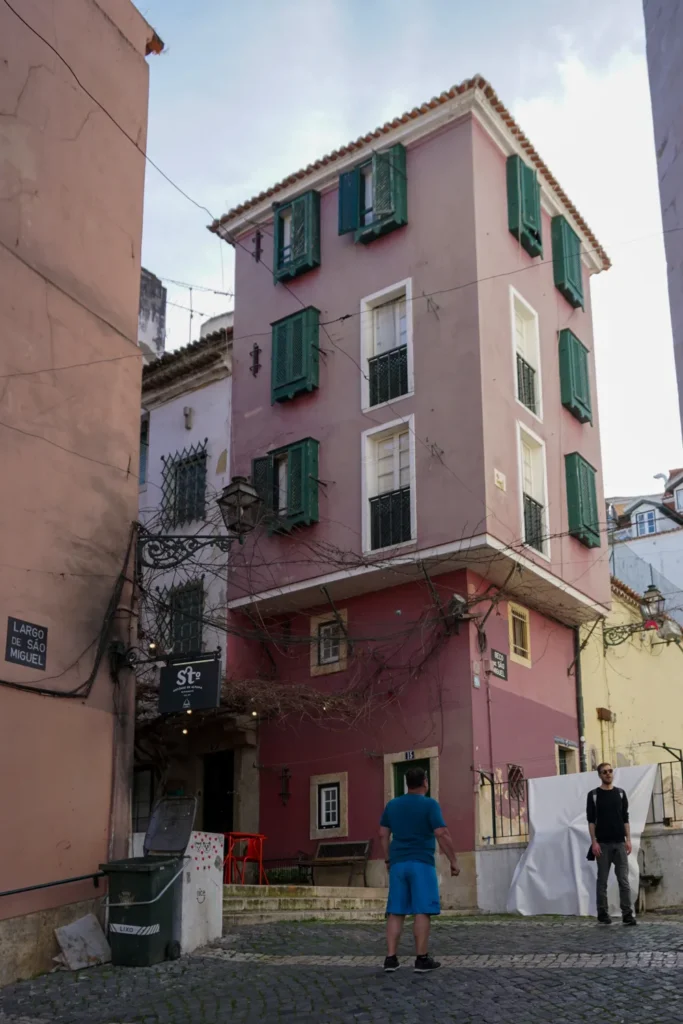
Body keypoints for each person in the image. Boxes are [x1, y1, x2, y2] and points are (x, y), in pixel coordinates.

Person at [379, 766, 460, 973]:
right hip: (421, 863)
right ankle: (421, 959)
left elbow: (382, 834)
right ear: (425, 782)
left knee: (396, 911)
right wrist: (453, 860)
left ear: (407, 783)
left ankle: (390, 959)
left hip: (398, 864)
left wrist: (388, 859)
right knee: (422, 910)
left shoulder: (392, 805)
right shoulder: (429, 805)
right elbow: (441, 833)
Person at [586, 762, 636, 926]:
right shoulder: (593, 795)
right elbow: (591, 821)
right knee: (602, 881)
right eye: (604, 772)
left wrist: (628, 840)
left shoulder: (620, 794)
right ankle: (603, 914)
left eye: (610, 771)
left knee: (624, 881)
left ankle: (627, 914)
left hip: (620, 844)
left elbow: (625, 818)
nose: (608, 774)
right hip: (603, 845)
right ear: (599, 775)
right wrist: (594, 843)